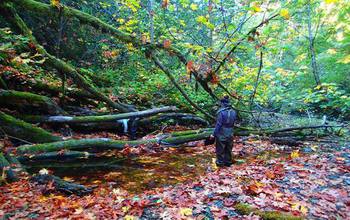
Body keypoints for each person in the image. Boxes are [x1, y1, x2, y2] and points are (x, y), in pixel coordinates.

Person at [210, 96, 237, 167]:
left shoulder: (221, 112)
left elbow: (218, 125)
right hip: (230, 132)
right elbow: (234, 122)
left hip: (222, 133)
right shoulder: (234, 112)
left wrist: (213, 134)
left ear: (222, 103)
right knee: (228, 148)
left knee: (220, 149)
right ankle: (228, 162)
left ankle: (220, 163)